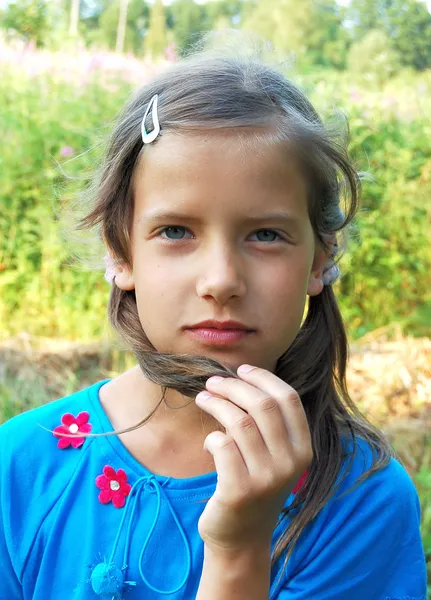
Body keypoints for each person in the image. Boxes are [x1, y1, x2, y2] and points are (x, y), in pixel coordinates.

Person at [0, 42, 427, 600]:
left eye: (265, 235)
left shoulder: (361, 499)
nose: (221, 279)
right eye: (176, 231)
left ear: (320, 259)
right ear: (120, 251)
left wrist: (240, 549)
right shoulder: (20, 467)